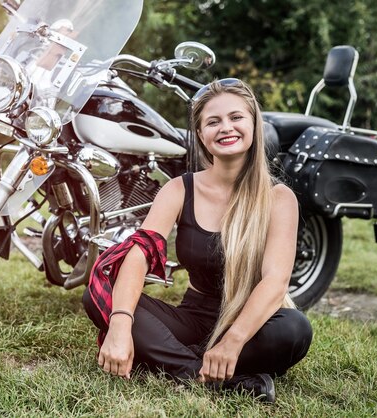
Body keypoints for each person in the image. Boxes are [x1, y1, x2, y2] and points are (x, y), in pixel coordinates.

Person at [83, 79, 313, 402]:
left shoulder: (278, 198)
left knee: (294, 329)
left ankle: (167, 360)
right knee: (98, 297)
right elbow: (138, 254)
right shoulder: (179, 189)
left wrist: (233, 341)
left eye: (236, 117)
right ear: (201, 135)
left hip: (250, 323)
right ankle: (212, 376)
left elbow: (276, 282)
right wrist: (120, 325)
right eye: (213, 121)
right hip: (192, 318)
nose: (226, 128)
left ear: (253, 124)